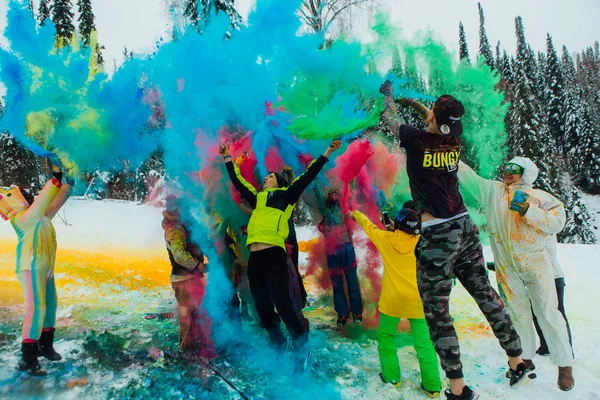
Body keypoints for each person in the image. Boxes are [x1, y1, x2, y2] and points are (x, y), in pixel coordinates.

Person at [379, 81, 525, 400]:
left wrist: (390, 96)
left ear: (436, 121)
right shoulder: (453, 140)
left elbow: (391, 119)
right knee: (485, 295)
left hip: (437, 236)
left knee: (438, 312)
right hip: (465, 227)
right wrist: (415, 104)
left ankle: (458, 387)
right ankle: (517, 358)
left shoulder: (417, 140)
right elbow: (435, 119)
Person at [219, 140, 342, 369]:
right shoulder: (258, 199)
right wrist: (227, 158)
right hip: (255, 258)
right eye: (266, 177)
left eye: (271, 176)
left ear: (280, 182)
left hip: (274, 256)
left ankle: (301, 350)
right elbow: (238, 182)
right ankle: (278, 343)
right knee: (263, 306)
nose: (266, 177)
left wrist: (327, 152)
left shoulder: (287, 195)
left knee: (285, 305)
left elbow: (308, 175)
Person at [458, 157, 574, 391]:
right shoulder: (493, 191)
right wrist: (445, 148)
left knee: (548, 313)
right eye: (507, 168)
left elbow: (557, 223)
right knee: (517, 314)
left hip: (536, 264)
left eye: (515, 169)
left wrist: (530, 211)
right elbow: (469, 179)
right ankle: (524, 359)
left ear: (527, 173)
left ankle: (565, 365)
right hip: (506, 265)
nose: (508, 172)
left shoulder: (539, 196)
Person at [351, 207, 442, 397]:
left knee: (386, 336)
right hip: (418, 301)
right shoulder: (423, 241)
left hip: (393, 301)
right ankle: (432, 385)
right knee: (425, 344)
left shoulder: (386, 239)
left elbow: (369, 227)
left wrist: (356, 214)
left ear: (398, 226)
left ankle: (391, 377)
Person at [0, 163, 73, 376]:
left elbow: (56, 201)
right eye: (24, 195)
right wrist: (55, 177)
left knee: (50, 305)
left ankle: (45, 346)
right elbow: (44, 201)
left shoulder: (40, 216)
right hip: (30, 268)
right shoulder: (22, 219)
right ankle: (29, 357)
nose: (29, 196)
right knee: (36, 308)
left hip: (45, 268)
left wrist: (68, 183)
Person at [162, 196, 215, 359]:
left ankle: (196, 346)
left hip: (191, 278)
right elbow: (179, 255)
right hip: (183, 280)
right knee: (187, 314)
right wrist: (198, 265)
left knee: (197, 312)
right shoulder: (174, 229)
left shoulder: (185, 225)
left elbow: (200, 241)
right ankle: (186, 350)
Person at [315, 183, 363, 326]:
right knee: (336, 284)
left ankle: (357, 311)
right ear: (328, 198)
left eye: (337, 191)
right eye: (331, 192)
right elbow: (317, 191)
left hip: (347, 247)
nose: (334, 192)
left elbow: (350, 190)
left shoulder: (344, 206)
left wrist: (352, 177)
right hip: (332, 250)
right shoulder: (324, 208)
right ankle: (342, 313)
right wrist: (312, 171)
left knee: (352, 281)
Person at [534, 235, 573, 356]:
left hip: (553, 276)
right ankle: (546, 345)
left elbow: (547, 253)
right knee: (537, 313)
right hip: (537, 278)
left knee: (557, 313)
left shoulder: (547, 227)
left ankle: (567, 349)